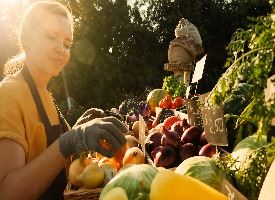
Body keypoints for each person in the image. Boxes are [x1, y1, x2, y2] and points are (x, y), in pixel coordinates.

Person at [0, 1, 127, 200]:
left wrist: (79, 136)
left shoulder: (45, 94)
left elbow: (57, 167)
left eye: (67, 44)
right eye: (51, 37)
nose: (61, 49)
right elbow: (8, 193)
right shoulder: (9, 94)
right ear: (27, 40)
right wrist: (69, 141)